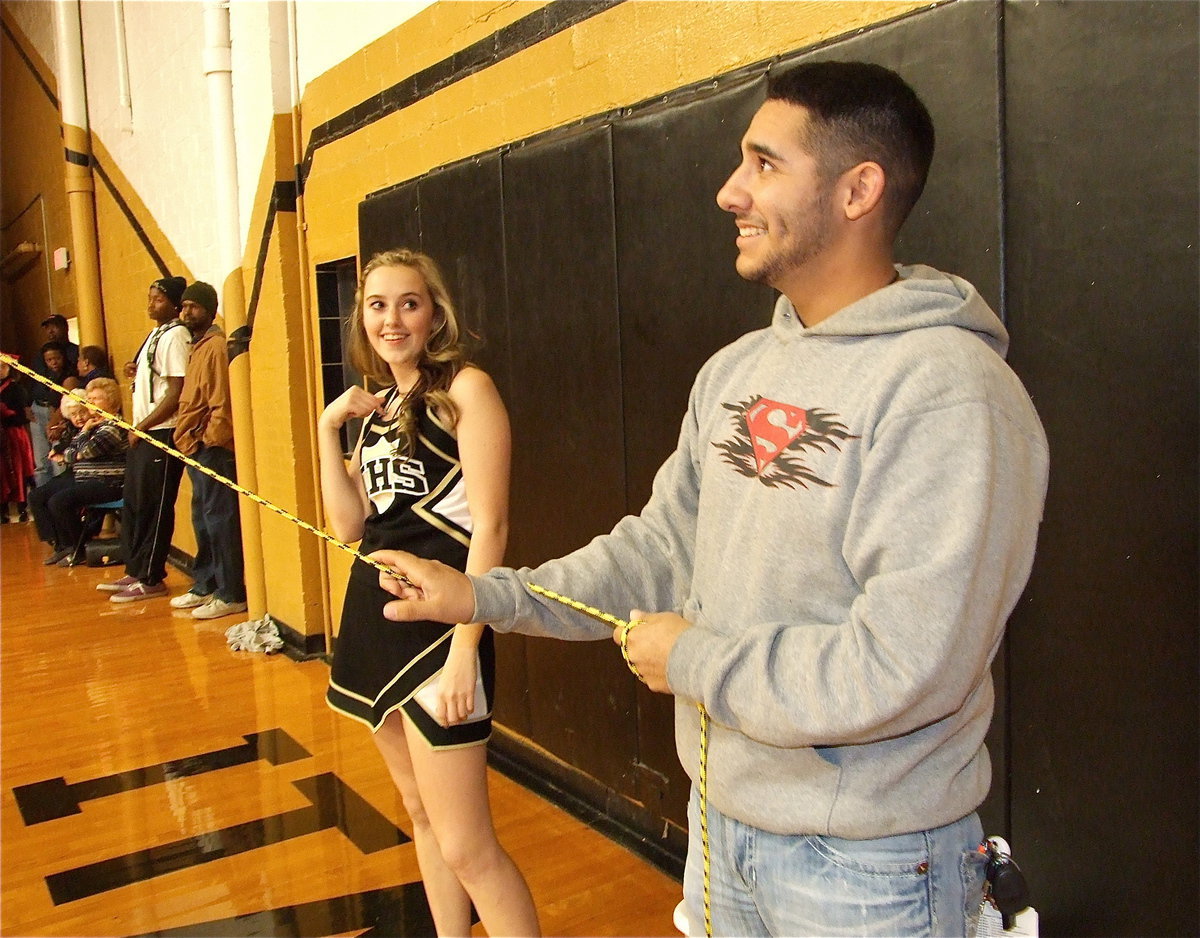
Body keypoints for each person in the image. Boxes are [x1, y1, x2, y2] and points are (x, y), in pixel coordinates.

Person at [371, 62, 1050, 937]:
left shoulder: (952, 392)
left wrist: (693, 661)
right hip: (719, 831)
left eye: (764, 164)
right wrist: (485, 596)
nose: (731, 190)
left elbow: (908, 667)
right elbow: (657, 550)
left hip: (869, 870)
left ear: (858, 189)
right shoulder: (735, 373)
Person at [317, 249, 539, 937]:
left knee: (469, 844)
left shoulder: (467, 388)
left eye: (408, 303)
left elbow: (493, 526)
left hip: (444, 627)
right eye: (378, 305)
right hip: (374, 620)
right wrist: (330, 428)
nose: (392, 319)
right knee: (418, 813)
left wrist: (466, 651)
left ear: (434, 311)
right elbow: (349, 524)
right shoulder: (377, 407)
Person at [98, 275, 191, 603]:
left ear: (176, 304)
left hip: (161, 432)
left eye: (158, 299)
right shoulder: (157, 333)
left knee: (155, 506)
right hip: (144, 430)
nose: (151, 304)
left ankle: (152, 577)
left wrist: (144, 427)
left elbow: (176, 393)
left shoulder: (177, 335)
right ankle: (136, 570)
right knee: (136, 504)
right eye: (150, 297)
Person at [170, 281, 247, 620]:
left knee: (220, 521)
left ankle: (231, 593)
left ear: (211, 310)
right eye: (184, 307)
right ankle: (207, 584)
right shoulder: (197, 346)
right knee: (202, 520)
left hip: (212, 449)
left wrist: (207, 442)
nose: (186, 312)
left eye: (194, 307)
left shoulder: (215, 346)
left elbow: (221, 404)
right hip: (195, 448)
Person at [29, 377, 128, 566]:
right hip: (86, 479)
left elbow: (84, 452)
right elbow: (74, 449)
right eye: (88, 398)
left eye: (95, 399)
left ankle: (78, 547)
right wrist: (83, 433)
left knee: (59, 501)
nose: (89, 403)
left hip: (108, 483)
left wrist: (72, 453)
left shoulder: (112, 427)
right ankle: (64, 545)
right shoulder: (93, 426)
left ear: (111, 401)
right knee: (41, 496)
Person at [30, 341, 80, 486]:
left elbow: (65, 403)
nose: (54, 362)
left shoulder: (70, 377)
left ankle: (56, 496)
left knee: (58, 462)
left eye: (56, 358)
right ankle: (42, 498)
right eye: (49, 360)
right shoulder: (47, 375)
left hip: (61, 422)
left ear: (63, 357)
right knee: (41, 463)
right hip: (42, 413)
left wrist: (53, 424)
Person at [0, 356, 35, 523]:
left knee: (18, 469)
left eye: (2, 366)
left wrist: (5, 413)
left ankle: (22, 507)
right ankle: (3, 511)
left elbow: (22, 415)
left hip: (13, 434)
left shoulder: (15, 388)